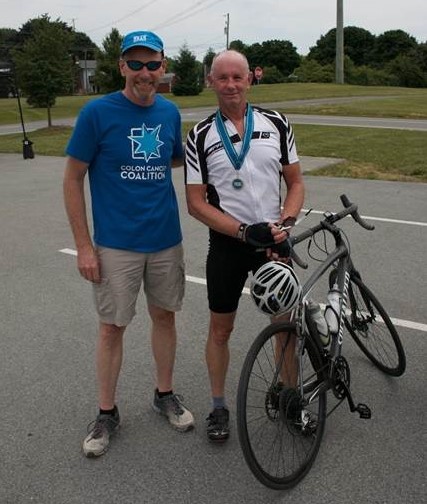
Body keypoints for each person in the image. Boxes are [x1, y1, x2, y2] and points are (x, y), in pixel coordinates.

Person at [63, 30, 194, 458]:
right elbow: (72, 178)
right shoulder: (97, 113)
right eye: (134, 64)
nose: (144, 73)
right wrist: (85, 246)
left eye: (151, 64)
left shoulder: (170, 113)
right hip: (116, 244)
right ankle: (106, 413)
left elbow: (174, 157)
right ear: (121, 66)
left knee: (165, 318)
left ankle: (164, 394)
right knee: (111, 327)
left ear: (162, 66)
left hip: (164, 240)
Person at [184, 50, 304, 443]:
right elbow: (196, 202)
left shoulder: (277, 122)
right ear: (211, 82)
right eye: (223, 78)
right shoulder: (199, 135)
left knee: (285, 326)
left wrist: (284, 224)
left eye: (238, 77)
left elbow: (296, 183)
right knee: (221, 330)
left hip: (273, 240)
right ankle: (218, 406)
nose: (231, 85)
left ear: (250, 79)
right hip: (228, 245)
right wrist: (241, 232)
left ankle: (291, 398)